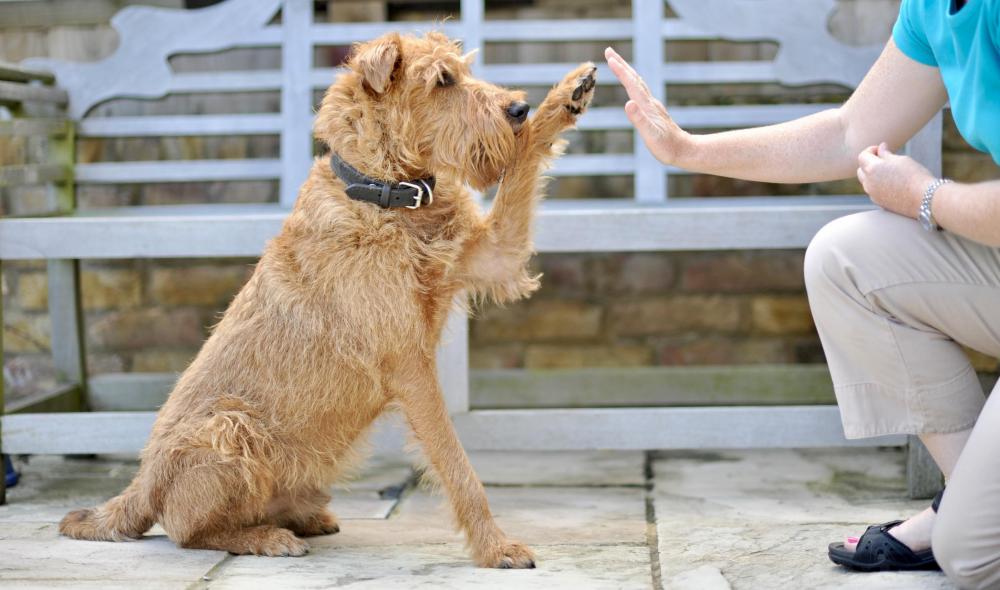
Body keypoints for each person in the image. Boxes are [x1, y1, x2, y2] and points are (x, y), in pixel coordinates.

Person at [606, 0, 999, 586]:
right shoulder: (934, 8)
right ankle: (967, 499)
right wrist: (688, 150)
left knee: (974, 558)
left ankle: (970, 520)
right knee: (847, 258)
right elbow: (849, 133)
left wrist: (925, 195)